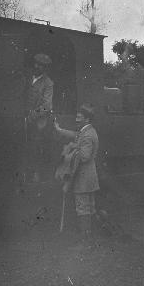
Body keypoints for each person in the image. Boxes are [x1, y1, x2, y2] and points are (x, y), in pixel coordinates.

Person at [54, 104, 100, 249]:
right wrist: (59, 130)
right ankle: (91, 238)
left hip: (83, 178)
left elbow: (84, 156)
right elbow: (75, 135)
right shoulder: (86, 131)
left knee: (83, 208)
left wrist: (72, 147)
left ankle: (85, 241)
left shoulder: (87, 135)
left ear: (87, 119)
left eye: (79, 117)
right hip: (89, 177)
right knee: (89, 208)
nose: (76, 119)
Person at [25, 53, 53, 183]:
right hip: (21, 117)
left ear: (45, 68)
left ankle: (35, 175)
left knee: (35, 146)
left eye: (41, 65)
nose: (37, 66)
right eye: (36, 63)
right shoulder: (27, 77)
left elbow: (47, 106)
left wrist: (31, 116)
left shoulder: (48, 83)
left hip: (36, 122)